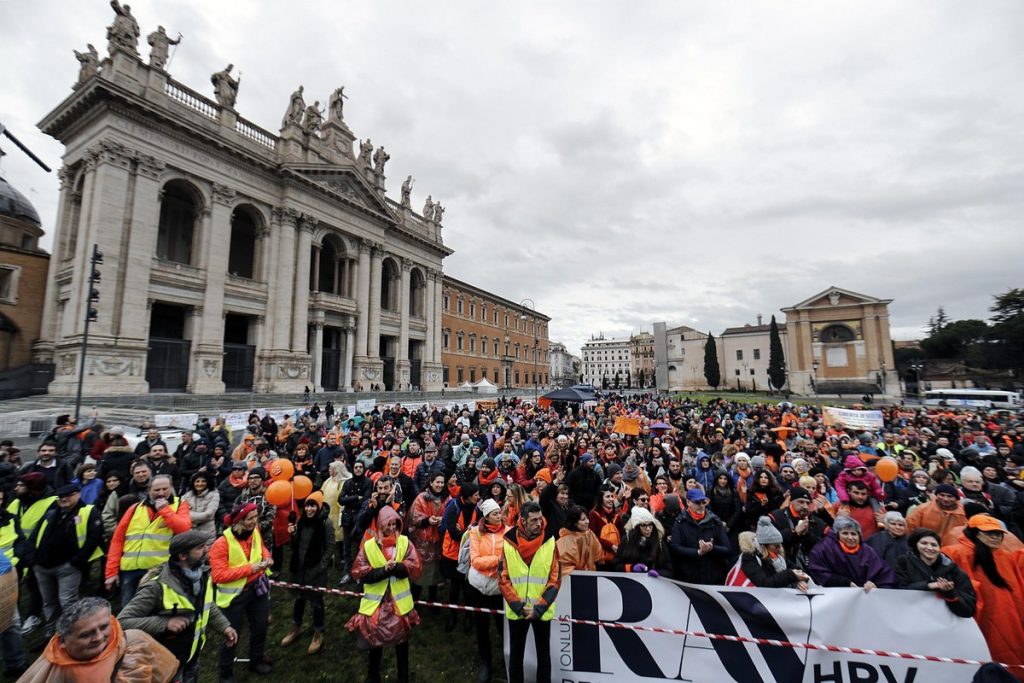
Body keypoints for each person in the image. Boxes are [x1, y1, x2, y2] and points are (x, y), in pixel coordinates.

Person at [118, 530, 237, 683]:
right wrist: (164, 623)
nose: (207, 550)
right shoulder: (156, 586)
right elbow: (122, 621)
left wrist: (224, 626)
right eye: (200, 547)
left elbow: (207, 604)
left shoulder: (202, 576)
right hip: (166, 663)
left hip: (192, 656)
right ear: (182, 556)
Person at [19, 597, 178, 683]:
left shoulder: (135, 642)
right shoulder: (54, 660)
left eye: (103, 627)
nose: (99, 637)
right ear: (62, 642)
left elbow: (168, 673)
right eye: (86, 634)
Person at [346, 506, 422, 683]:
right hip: (377, 604)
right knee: (375, 641)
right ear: (380, 525)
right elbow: (360, 573)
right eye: (388, 525)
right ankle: (373, 675)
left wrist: (397, 567)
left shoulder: (404, 542)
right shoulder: (369, 546)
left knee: (402, 642)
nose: (392, 528)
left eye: (394, 524)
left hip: (399, 604)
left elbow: (415, 567)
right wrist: (383, 571)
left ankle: (403, 676)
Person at [943, 514, 1024, 679]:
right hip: (976, 616)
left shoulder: (1005, 556)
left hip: (1008, 618)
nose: (996, 537)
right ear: (974, 533)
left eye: (999, 533)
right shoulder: (956, 552)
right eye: (989, 533)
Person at [499, 501, 561, 683]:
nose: (539, 524)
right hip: (517, 610)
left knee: (544, 657)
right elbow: (503, 577)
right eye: (533, 521)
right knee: (516, 657)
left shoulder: (550, 541)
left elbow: (555, 577)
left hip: (541, 611)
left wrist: (539, 608)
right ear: (523, 521)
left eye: (540, 520)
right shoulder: (508, 542)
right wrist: (518, 606)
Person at [210, 503, 274, 679]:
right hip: (234, 597)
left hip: (256, 590)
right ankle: (225, 674)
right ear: (239, 521)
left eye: (256, 517)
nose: (255, 521)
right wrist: (251, 569)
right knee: (232, 636)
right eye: (250, 519)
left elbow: (261, 549)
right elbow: (218, 575)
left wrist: (267, 558)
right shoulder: (221, 544)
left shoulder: (255, 531)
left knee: (260, 627)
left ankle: (256, 660)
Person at [105, 475, 192, 603]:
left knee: (156, 612)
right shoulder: (134, 508)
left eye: (165, 489)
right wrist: (111, 572)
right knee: (128, 612)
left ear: (171, 488)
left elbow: (184, 529)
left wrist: (165, 511)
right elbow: (118, 540)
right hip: (131, 571)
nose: (161, 493)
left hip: (160, 571)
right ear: (149, 490)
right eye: (157, 490)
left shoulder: (180, 505)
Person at [30, 483, 103, 635]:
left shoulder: (88, 511)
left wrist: (77, 561)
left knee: (68, 602)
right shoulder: (51, 513)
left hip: (67, 567)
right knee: (49, 602)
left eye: (68, 496)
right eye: (61, 497)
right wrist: (33, 558)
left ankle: (75, 633)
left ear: (78, 494)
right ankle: (53, 634)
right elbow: (36, 534)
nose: (64, 500)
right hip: (42, 566)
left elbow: (93, 538)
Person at [281, 492, 333, 656]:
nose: (310, 509)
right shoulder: (301, 521)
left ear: (318, 507)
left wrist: (320, 568)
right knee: (299, 598)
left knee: (316, 601)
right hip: (300, 568)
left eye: (313, 505)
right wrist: (292, 534)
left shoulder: (325, 523)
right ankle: (295, 627)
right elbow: (293, 546)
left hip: (315, 570)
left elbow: (330, 548)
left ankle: (318, 632)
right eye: (307, 505)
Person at [894, 528, 976, 618]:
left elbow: (968, 611)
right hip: (910, 618)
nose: (929, 548)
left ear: (939, 547)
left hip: (942, 624)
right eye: (924, 543)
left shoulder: (953, 570)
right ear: (915, 545)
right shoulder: (903, 563)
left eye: (934, 545)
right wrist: (928, 585)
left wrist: (950, 593)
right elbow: (897, 594)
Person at [467, 498, 506, 683]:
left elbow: (510, 558)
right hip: (479, 586)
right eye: (495, 514)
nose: (499, 516)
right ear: (486, 516)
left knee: (502, 626)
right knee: (482, 626)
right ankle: (486, 662)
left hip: (500, 588)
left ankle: (508, 658)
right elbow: (475, 560)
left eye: (500, 513)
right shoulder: (475, 533)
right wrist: (497, 561)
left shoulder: (508, 532)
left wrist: (490, 560)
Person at [808, 517, 896, 591]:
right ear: (837, 535)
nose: (850, 537)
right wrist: (843, 582)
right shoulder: (824, 548)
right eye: (845, 533)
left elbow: (884, 574)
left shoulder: (868, 551)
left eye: (854, 534)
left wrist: (875, 585)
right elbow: (817, 571)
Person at [669, 488, 731, 584]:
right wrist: (698, 552)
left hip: (714, 576)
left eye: (703, 502)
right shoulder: (680, 522)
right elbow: (675, 547)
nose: (701, 505)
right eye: (697, 502)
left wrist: (711, 548)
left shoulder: (715, 522)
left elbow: (727, 549)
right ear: (688, 502)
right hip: (689, 577)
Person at [440, 482, 479, 633]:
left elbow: (478, 528)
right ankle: (453, 615)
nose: (478, 497)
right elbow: (453, 534)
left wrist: (464, 531)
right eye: (476, 495)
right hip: (452, 554)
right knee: (455, 587)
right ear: (468, 497)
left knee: (468, 588)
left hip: (469, 555)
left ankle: (469, 617)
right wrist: (468, 532)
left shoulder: (476, 508)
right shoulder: (453, 507)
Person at [731, 517, 810, 589]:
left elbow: (800, 571)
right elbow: (764, 583)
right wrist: (791, 575)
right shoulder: (749, 557)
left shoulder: (777, 555)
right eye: (776, 546)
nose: (779, 548)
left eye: (780, 545)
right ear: (764, 545)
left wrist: (800, 580)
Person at [407, 472, 447, 604]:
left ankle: (432, 601)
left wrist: (443, 520)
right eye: (437, 482)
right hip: (421, 543)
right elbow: (414, 517)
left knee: (434, 575)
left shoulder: (445, 498)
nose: (440, 485)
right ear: (431, 483)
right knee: (418, 573)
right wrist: (427, 520)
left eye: (442, 482)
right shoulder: (421, 498)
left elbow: (449, 516)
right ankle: (414, 601)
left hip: (437, 543)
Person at [767, 487, 826, 571]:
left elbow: (823, 547)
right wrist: (794, 533)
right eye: (801, 502)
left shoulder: (816, 521)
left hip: (811, 569)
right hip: (782, 567)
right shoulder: (776, 516)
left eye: (808, 503)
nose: (805, 506)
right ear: (791, 501)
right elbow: (768, 540)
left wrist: (807, 535)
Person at [338, 461, 371, 584]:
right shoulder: (347, 483)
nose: (358, 469)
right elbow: (340, 499)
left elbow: (366, 500)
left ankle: (359, 573)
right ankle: (347, 572)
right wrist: (356, 497)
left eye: (360, 467)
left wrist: (349, 499)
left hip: (360, 519)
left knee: (360, 548)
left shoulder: (368, 482)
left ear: (364, 468)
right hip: (347, 519)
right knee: (347, 548)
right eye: (356, 467)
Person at [614, 506, 672, 577]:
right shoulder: (627, 541)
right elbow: (616, 565)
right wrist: (631, 568)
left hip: (653, 584)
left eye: (650, 525)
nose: (648, 529)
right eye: (644, 525)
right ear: (636, 527)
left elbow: (668, 569)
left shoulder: (659, 542)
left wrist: (658, 573)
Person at [555, 504, 602, 576]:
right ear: (574, 523)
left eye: (587, 518)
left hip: (590, 577)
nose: (587, 521)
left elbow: (598, 556)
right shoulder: (565, 541)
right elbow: (564, 567)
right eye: (583, 519)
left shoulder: (589, 534)